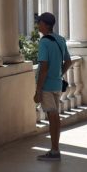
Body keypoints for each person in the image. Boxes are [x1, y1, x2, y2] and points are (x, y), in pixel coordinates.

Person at [33, 12, 71, 161]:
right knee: (55, 116)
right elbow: (68, 61)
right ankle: (55, 149)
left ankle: (55, 150)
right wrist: (59, 74)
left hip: (47, 85)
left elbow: (44, 67)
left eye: (39, 22)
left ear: (46, 25)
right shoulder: (60, 40)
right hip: (57, 83)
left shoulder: (44, 42)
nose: (38, 25)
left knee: (53, 116)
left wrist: (38, 90)